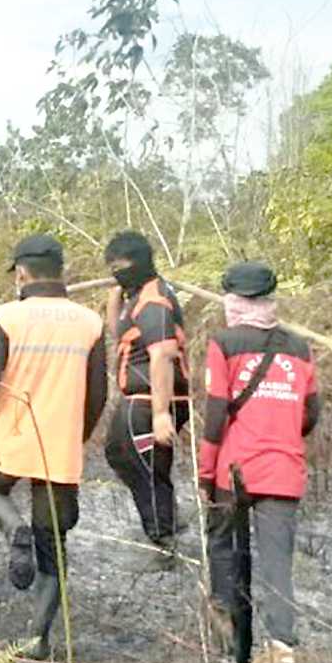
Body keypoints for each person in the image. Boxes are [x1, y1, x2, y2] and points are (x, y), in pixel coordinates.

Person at [0, 234, 107, 659]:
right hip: (60, 445)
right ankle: (38, 639)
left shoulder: (8, 318)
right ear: (63, 271)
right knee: (53, 543)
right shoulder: (90, 322)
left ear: (21, 272)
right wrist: (78, 437)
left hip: (12, 437)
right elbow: (98, 395)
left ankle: (12, 529)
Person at [199, 262, 320, 663]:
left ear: (232, 299)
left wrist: (205, 467)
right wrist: (282, 430)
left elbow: (215, 413)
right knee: (276, 568)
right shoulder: (301, 348)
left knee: (224, 549)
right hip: (284, 471)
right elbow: (311, 413)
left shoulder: (224, 343)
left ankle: (231, 635)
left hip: (235, 470)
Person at [102, 231, 190, 571]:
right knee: (118, 454)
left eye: (120, 265)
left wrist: (161, 414)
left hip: (152, 400)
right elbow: (119, 336)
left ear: (139, 262)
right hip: (136, 399)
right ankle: (166, 517)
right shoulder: (135, 296)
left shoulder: (154, 301)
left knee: (148, 468)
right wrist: (114, 298)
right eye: (111, 266)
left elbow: (163, 355)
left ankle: (164, 543)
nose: (115, 271)